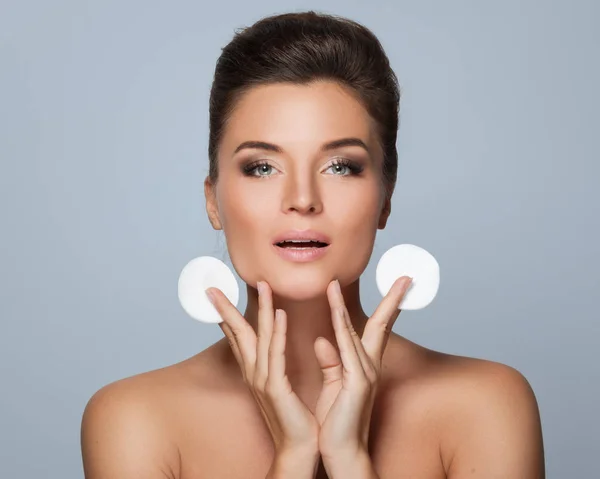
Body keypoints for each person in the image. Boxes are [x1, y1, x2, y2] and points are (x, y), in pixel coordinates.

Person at [80, 10, 545, 479]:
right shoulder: (134, 419)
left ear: (385, 199)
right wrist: (294, 457)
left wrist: (349, 460)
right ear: (213, 201)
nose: (302, 199)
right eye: (262, 167)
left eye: (341, 166)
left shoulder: (487, 405)